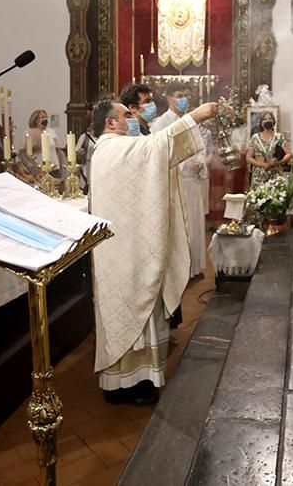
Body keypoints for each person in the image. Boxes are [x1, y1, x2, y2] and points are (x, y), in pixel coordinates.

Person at [89, 98, 218, 405]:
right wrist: (196, 116)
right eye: (126, 115)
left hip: (130, 245)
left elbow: (152, 155)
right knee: (131, 308)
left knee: (140, 309)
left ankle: (136, 381)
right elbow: (157, 146)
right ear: (110, 123)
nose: (132, 118)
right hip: (123, 253)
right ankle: (127, 384)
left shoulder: (116, 148)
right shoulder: (111, 148)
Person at [151, 82, 209, 278]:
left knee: (194, 224)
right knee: (181, 227)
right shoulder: (160, 124)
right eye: (178, 95)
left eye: (185, 95)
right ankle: (180, 273)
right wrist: (184, 164)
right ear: (169, 99)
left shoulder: (189, 121)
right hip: (176, 183)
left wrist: (200, 162)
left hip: (193, 182)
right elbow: (158, 153)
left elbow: (200, 147)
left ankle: (194, 267)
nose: (183, 99)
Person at [246, 111, 293, 189]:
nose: (267, 120)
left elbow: (289, 154)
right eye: (265, 119)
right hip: (259, 177)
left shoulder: (279, 137)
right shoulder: (255, 137)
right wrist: (261, 164)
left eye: (269, 118)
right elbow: (248, 157)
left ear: (273, 121)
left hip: (275, 175)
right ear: (261, 122)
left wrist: (278, 162)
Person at [74, 107, 96, 193]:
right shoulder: (85, 137)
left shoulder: (103, 136)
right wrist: (79, 152)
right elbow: (76, 153)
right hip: (87, 165)